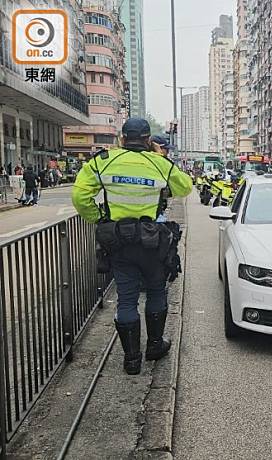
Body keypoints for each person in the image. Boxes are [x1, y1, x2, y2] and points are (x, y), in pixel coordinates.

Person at [72, 118, 193, 375]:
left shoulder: (103, 161)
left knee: (126, 299)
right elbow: (185, 187)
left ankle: (132, 360)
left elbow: (79, 196)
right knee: (156, 292)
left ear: (122, 139)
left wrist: (100, 218)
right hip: (152, 242)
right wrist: (161, 158)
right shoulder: (159, 163)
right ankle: (155, 347)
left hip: (119, 242)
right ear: (149, 140)